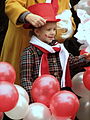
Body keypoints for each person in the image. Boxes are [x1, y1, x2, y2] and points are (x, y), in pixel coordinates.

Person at [20, 2, 90, 105]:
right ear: (37, 31)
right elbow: (26, 80)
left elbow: (70, 62)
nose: (53, 33)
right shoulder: (30, 52)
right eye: (48, 30)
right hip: (40, 100)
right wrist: (34, 100)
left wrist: (86, 58)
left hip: (58, 98)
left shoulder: (58, 48)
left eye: (54, 29)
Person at [0, 0, 76, 85]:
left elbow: (69, 22)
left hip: (48, 56)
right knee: (14, 87)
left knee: (45, 90)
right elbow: (11, 4)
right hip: (21, 44)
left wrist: (62, 30)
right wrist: (27, 16)